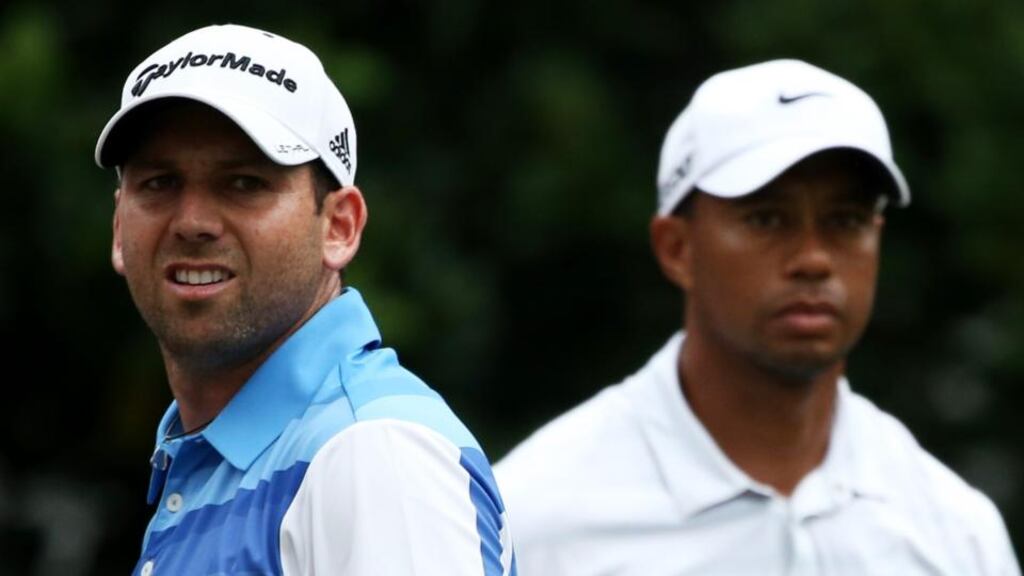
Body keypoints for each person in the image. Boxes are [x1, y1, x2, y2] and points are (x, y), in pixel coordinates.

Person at [495, 59, 1019, 575]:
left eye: (847, 220)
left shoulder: (957, 533)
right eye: (767, 218)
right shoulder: (531, 523)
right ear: (677, 248)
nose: (814, 258)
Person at [95, 24, 515, 576]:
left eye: (244, 183)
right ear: (119, 228)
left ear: (338, 226)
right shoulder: (223, 457)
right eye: (159, 183)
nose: (192, 221)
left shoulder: (372, 456)